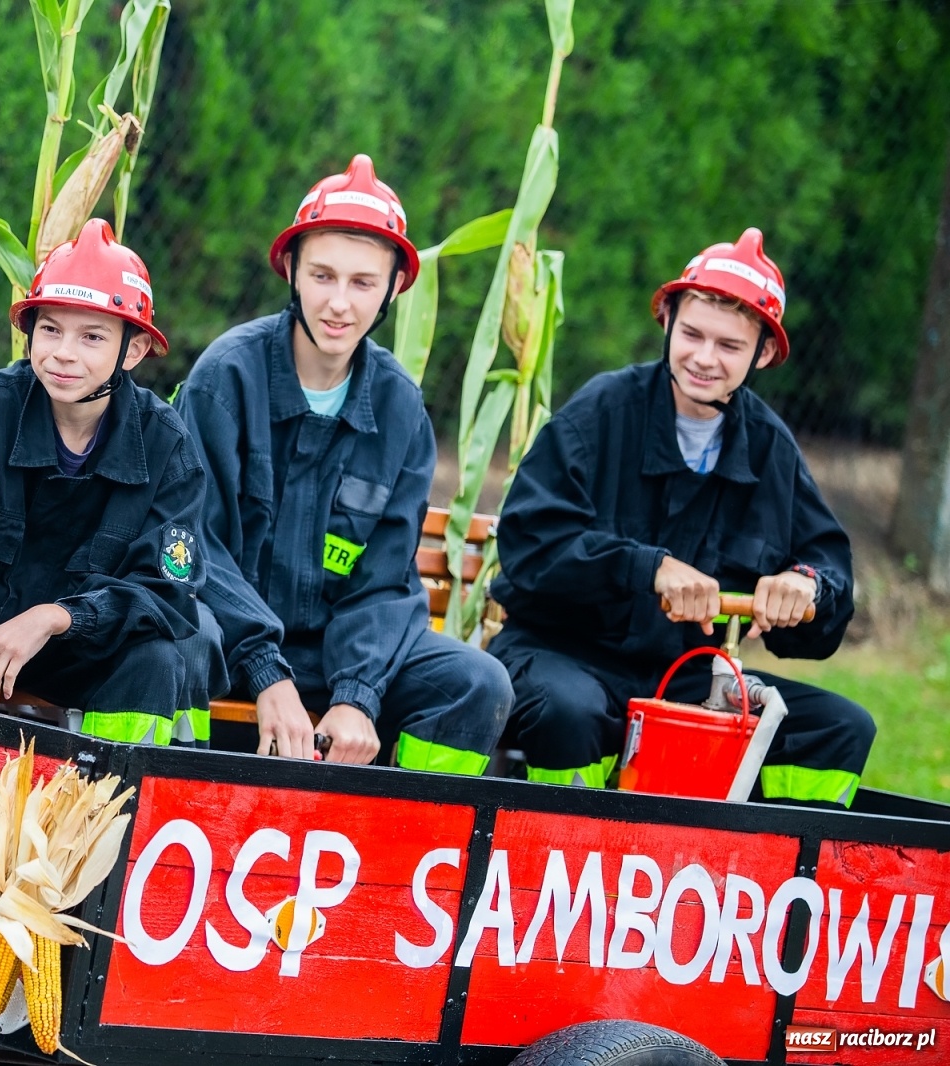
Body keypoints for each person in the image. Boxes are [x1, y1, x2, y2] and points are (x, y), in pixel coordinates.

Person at [489, 228, 875, 806]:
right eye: (692, 334)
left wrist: (807, 586)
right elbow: (529, 543)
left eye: (730, 345)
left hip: (686, 674)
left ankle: (769, 858)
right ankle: (560, 849)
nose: (704, 358)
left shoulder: (771, 448)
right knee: (570, 709)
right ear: (667, 320)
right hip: (558, 655)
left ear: (764, 354)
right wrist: (648, 569)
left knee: (839, 727)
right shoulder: (602, 412)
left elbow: (828, 576)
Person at [175, 154, 512, 769]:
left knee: (476, 684)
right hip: (228, 638)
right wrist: (266, 670)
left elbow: (385, 579)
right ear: (291, 271)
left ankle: (404, 824)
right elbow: (193, 544)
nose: (339, 303)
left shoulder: (400, 407)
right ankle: (181, 798)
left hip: (334, 657)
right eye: (323, 275)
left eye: (362, 282)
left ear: (393, 288)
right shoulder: (226, 379)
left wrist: (357, 694)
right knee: (180, 637)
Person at [0, 218, 218, 747]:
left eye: (92, 336)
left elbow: (163, 594)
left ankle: (112, 790)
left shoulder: (167, 445)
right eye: (50, 329)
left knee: (156, 657)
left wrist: (56, 617)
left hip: (80, 648)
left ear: (134, 350)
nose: (63, 353)